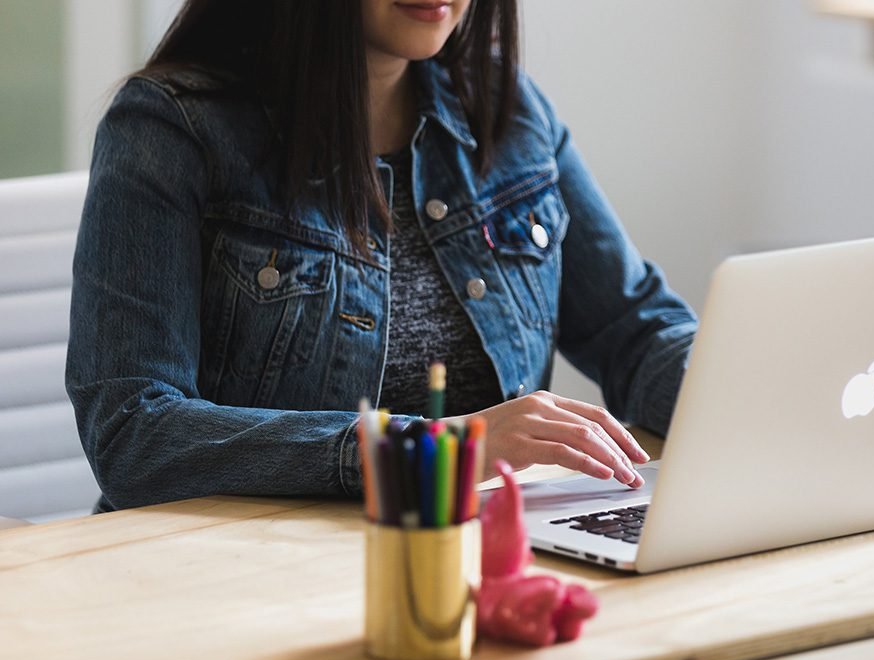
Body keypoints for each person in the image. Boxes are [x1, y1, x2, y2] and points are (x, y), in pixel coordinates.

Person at [66, 0, 696, 512]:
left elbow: (634, 330)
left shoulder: (508, 108)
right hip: (239, 577)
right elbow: (133, 432)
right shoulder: (171, 128)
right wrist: (441, 449)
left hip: (480, 552)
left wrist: (756, 389)